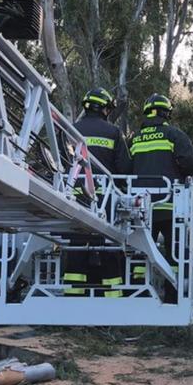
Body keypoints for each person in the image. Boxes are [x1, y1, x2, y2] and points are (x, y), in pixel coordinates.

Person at [129, 93, 193, 303]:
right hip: (170, 207)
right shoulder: (174, 135)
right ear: (166, 113)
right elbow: (189, 164)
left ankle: (136, 293)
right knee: (175, 254)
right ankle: (173, 296)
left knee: (140, 251)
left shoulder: (133, 138)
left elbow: (124, 168)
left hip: (141, 209)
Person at [64, 87, 131, 298]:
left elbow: (62, 163)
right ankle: (112, 300)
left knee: (75, 245)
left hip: (74, 196)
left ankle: (74, 299)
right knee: (109, 244)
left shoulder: (70, 130)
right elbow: (124, 169)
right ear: (105, 109)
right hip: (105, 199)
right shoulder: (113, 133)